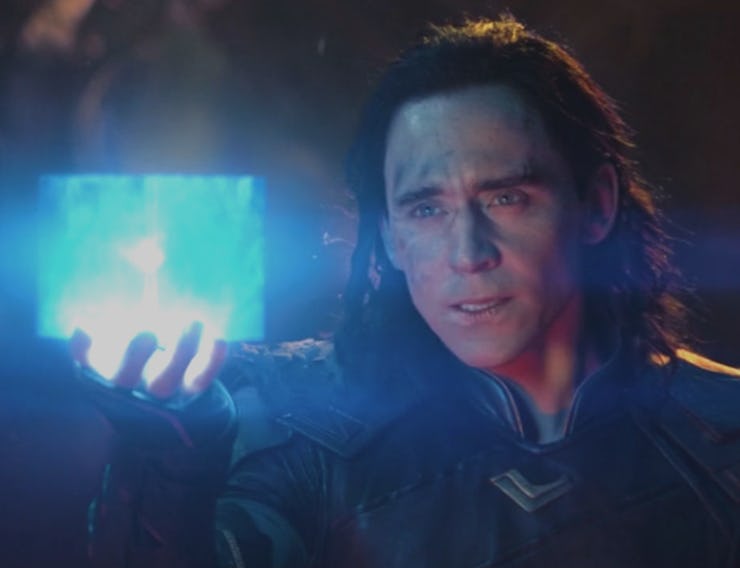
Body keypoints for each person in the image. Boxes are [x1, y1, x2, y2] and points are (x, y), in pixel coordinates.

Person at [72, 15, 740, 568]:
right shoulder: (295, 429)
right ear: (388, 238)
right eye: (426, 209)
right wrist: (171, 472)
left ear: (596, 205)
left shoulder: (722, 431)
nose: (468, 253)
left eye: (506, 198)